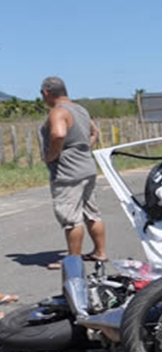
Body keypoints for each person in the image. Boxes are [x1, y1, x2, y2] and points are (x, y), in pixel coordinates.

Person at [39, 76, 107, 270]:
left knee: (71, 218)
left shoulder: (58, 112)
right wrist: (83, 148)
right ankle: (100, 252)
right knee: (92, 213)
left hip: (68, 172)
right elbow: (94, 132)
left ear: (46, 93)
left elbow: (58, 134)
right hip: (86, 167)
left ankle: (73, 261)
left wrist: (51, 156)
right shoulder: (80, 110)